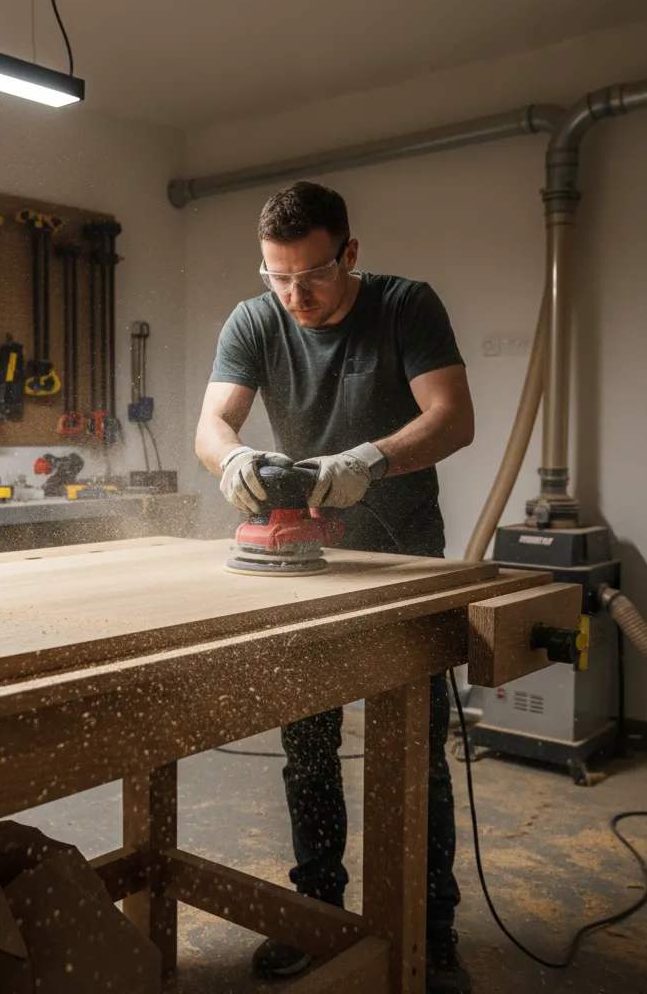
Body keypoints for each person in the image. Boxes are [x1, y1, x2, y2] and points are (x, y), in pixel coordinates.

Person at [194, 181, 476, 994]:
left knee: (413, 754)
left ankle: (434, 929)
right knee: (307, 750)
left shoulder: (405, 307)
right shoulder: (256, 319)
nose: (295, 296)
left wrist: (369, 460)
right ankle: (315, 916)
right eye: (277, 277)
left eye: (310, 276)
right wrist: (235, 459)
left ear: (350, 254)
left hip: (404, 563)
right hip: (304, 565)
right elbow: (213, 423)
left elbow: (453, 417)